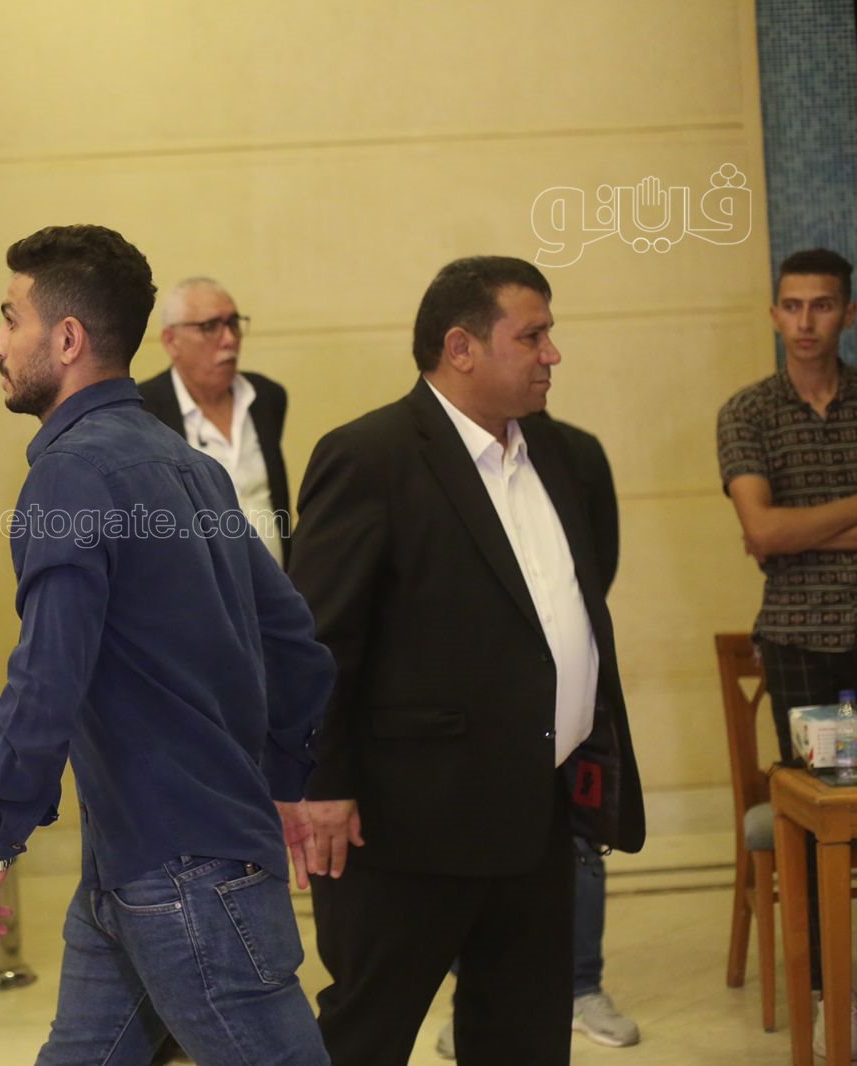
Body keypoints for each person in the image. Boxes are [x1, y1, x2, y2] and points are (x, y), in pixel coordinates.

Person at [0, 224, 337, 1066]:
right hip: (141, 859)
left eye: (9, 318)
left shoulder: (70, 474)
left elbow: (47, 676)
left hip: (181, 874)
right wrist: (278, 784)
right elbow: (297, 646)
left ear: (67, 339)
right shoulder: (189, 465)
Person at [289, 256, 645, 1065]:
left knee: (523, 1035)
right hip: (406, 823)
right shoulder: (371, 455)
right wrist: (322, 786)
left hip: (537, 812)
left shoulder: (566, 455)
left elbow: (574, 601)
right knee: (367, 1034)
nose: (553, 354)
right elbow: (317, 639)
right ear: (462, 347)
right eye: (533, 336)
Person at [434, 415, 640, 1057]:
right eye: (533, 353)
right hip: (479, 703)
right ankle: (472, 997)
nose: (548, 364)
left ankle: (583, 986)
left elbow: (597, 564)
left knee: (579, 843)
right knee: (476, 848)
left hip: (570, 704)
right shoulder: (433, 452)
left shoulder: (576, 450)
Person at [717, 247, 857, 1059]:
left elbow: (776, 533)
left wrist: (801, 530)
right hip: (799, 638)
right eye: (793, 306)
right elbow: (763, 530)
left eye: (823, 305)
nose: (806, 322)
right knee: (813, 813)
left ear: (848, 313)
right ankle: (825, 990)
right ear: (774, 314)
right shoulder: (749, 412)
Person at [138, 277, 291, 564]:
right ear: (171, 341)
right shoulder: (143, 412)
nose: (229, 339)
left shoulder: (265, 397)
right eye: (209, 327)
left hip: (275, 586)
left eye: (233, 323)